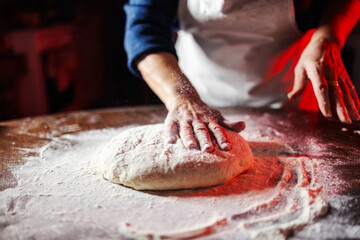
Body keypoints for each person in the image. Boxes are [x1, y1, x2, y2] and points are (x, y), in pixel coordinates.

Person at [123, 0, 360, 152]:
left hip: (290, 101)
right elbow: (144, 29)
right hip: (199, 100)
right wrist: (182, 98)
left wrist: (328, 36)